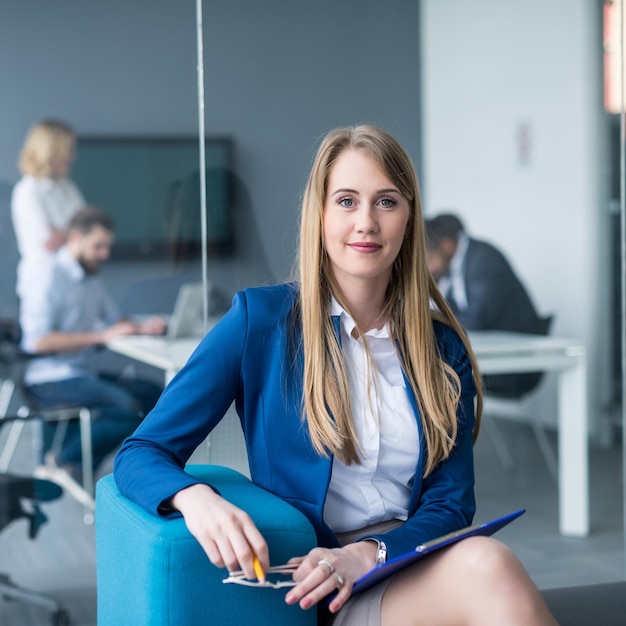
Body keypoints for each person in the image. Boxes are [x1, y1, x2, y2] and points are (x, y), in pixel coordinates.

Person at [114, 125, 558, 625]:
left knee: (487, 565)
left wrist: (370, 552)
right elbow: (140, 452)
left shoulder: (441, 346)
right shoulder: (259, 321)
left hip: (407, 559)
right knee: (489, 567)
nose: (366, 222)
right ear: (319, 215)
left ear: (409, 220)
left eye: (386, 202)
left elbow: (452, 503)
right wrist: (197, 499)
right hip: (322, 582)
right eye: (346, 201)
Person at [19, 206, 166, 496]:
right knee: (127, 409)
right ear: (76, 238)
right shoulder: (47, 275)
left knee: (154, 394)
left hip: (80, 371)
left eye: (107, 247)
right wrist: (102, 335)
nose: (105, 254)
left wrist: (140, 326)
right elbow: (37, 341)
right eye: (98, 246)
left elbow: (113, 319)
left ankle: (82, 466)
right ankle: (63, 460)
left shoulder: (90, 277)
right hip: (48, 378)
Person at [424, 212, 548, 397]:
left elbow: (476, 320)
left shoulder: (483, 259)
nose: (426, 267)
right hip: (481, 354)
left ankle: (450, 427)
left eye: (427, 258)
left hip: (513, 361)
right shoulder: (449, 270)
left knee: (434, 372)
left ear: (447, 246)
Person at [11, 118, 85, 300]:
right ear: (50, 150)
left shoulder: (68, 188)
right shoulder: (28, 190)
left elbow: (91, 227)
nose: (72, 156)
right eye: (68, 149)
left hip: (73, 280)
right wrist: (77, 233)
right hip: (43, 284)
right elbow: (49, 241)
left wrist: (65, 234)